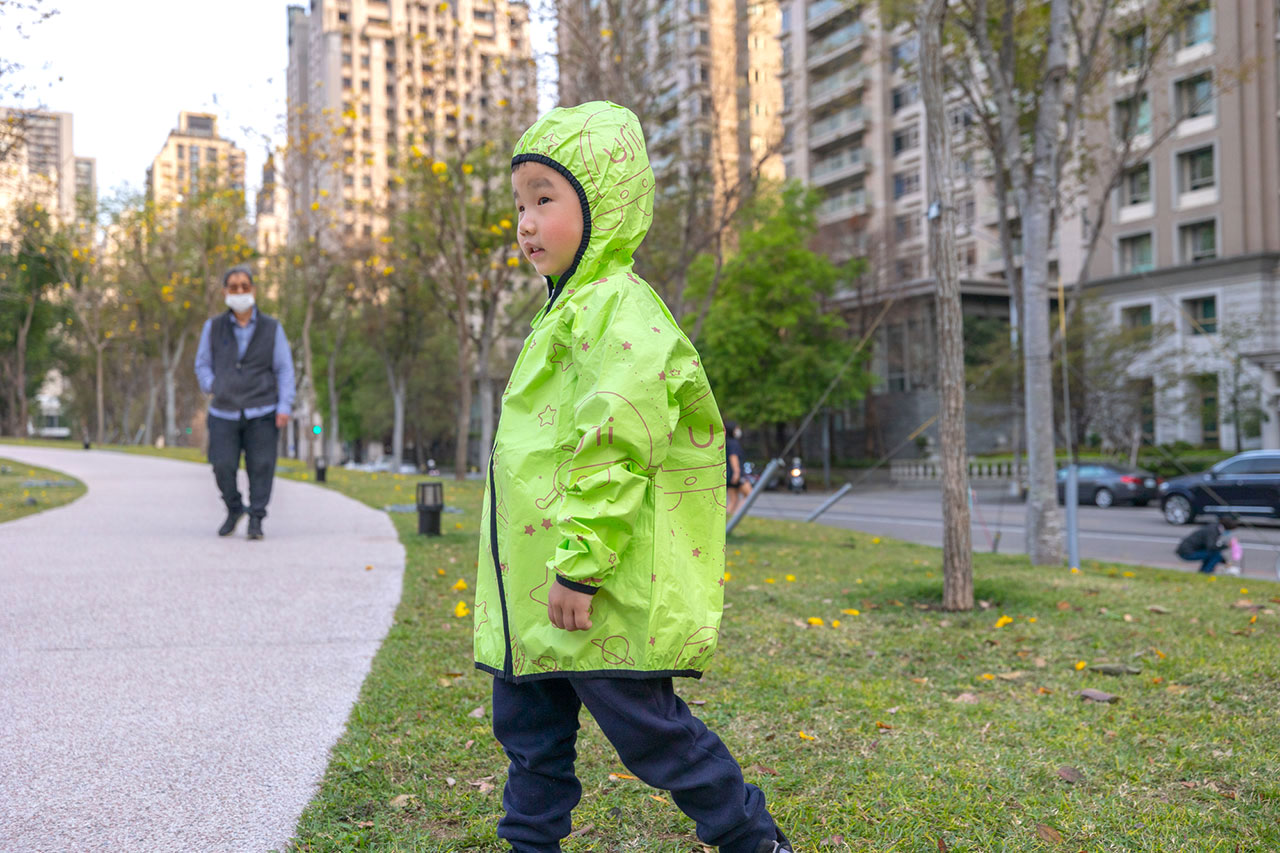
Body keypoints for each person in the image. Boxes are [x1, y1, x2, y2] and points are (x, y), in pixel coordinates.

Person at [473, 102, 792, 853]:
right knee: (529, 740)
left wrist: (581, 568)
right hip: (533, 591)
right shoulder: (562, 313)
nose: (525, 222)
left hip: (590, 590)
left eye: (545, 199)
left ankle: (754, 839)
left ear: (602, 204)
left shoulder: (617, 308)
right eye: (519, 203)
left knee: (655, 737)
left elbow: (616, 444)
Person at [194, 265, 295, 540]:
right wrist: (212, 385)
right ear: (225, 292)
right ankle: (235, 507)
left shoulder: (272, 328)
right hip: (223, 411)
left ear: (253, 290)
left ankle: (257, 519)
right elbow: (202, 363)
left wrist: (284, 406)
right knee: (222, 465)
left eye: (244, 286)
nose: (239, 291)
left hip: (262, 410)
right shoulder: (213, 327)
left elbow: (284, 368)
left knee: (261, 466)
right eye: (234, 287)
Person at [1175, 515, 1242, 575]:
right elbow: (1211, 547)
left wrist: (1225, 561)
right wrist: (1227, 546)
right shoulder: (1212, 531)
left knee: (1213, 554)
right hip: (1186, 552)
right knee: (1215, 555)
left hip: (1188, 550)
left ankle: (1203, 573)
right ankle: (1206, 573)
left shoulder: (1214, 527)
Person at [725, 419, 751, 517]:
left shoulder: (727, 442)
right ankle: (738, 515)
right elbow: (733, 457)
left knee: (734, 499)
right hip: (736, 474)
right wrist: (737, 472)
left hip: (728, 474)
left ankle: (727, 518)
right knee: (749, 494)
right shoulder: (733, 443)